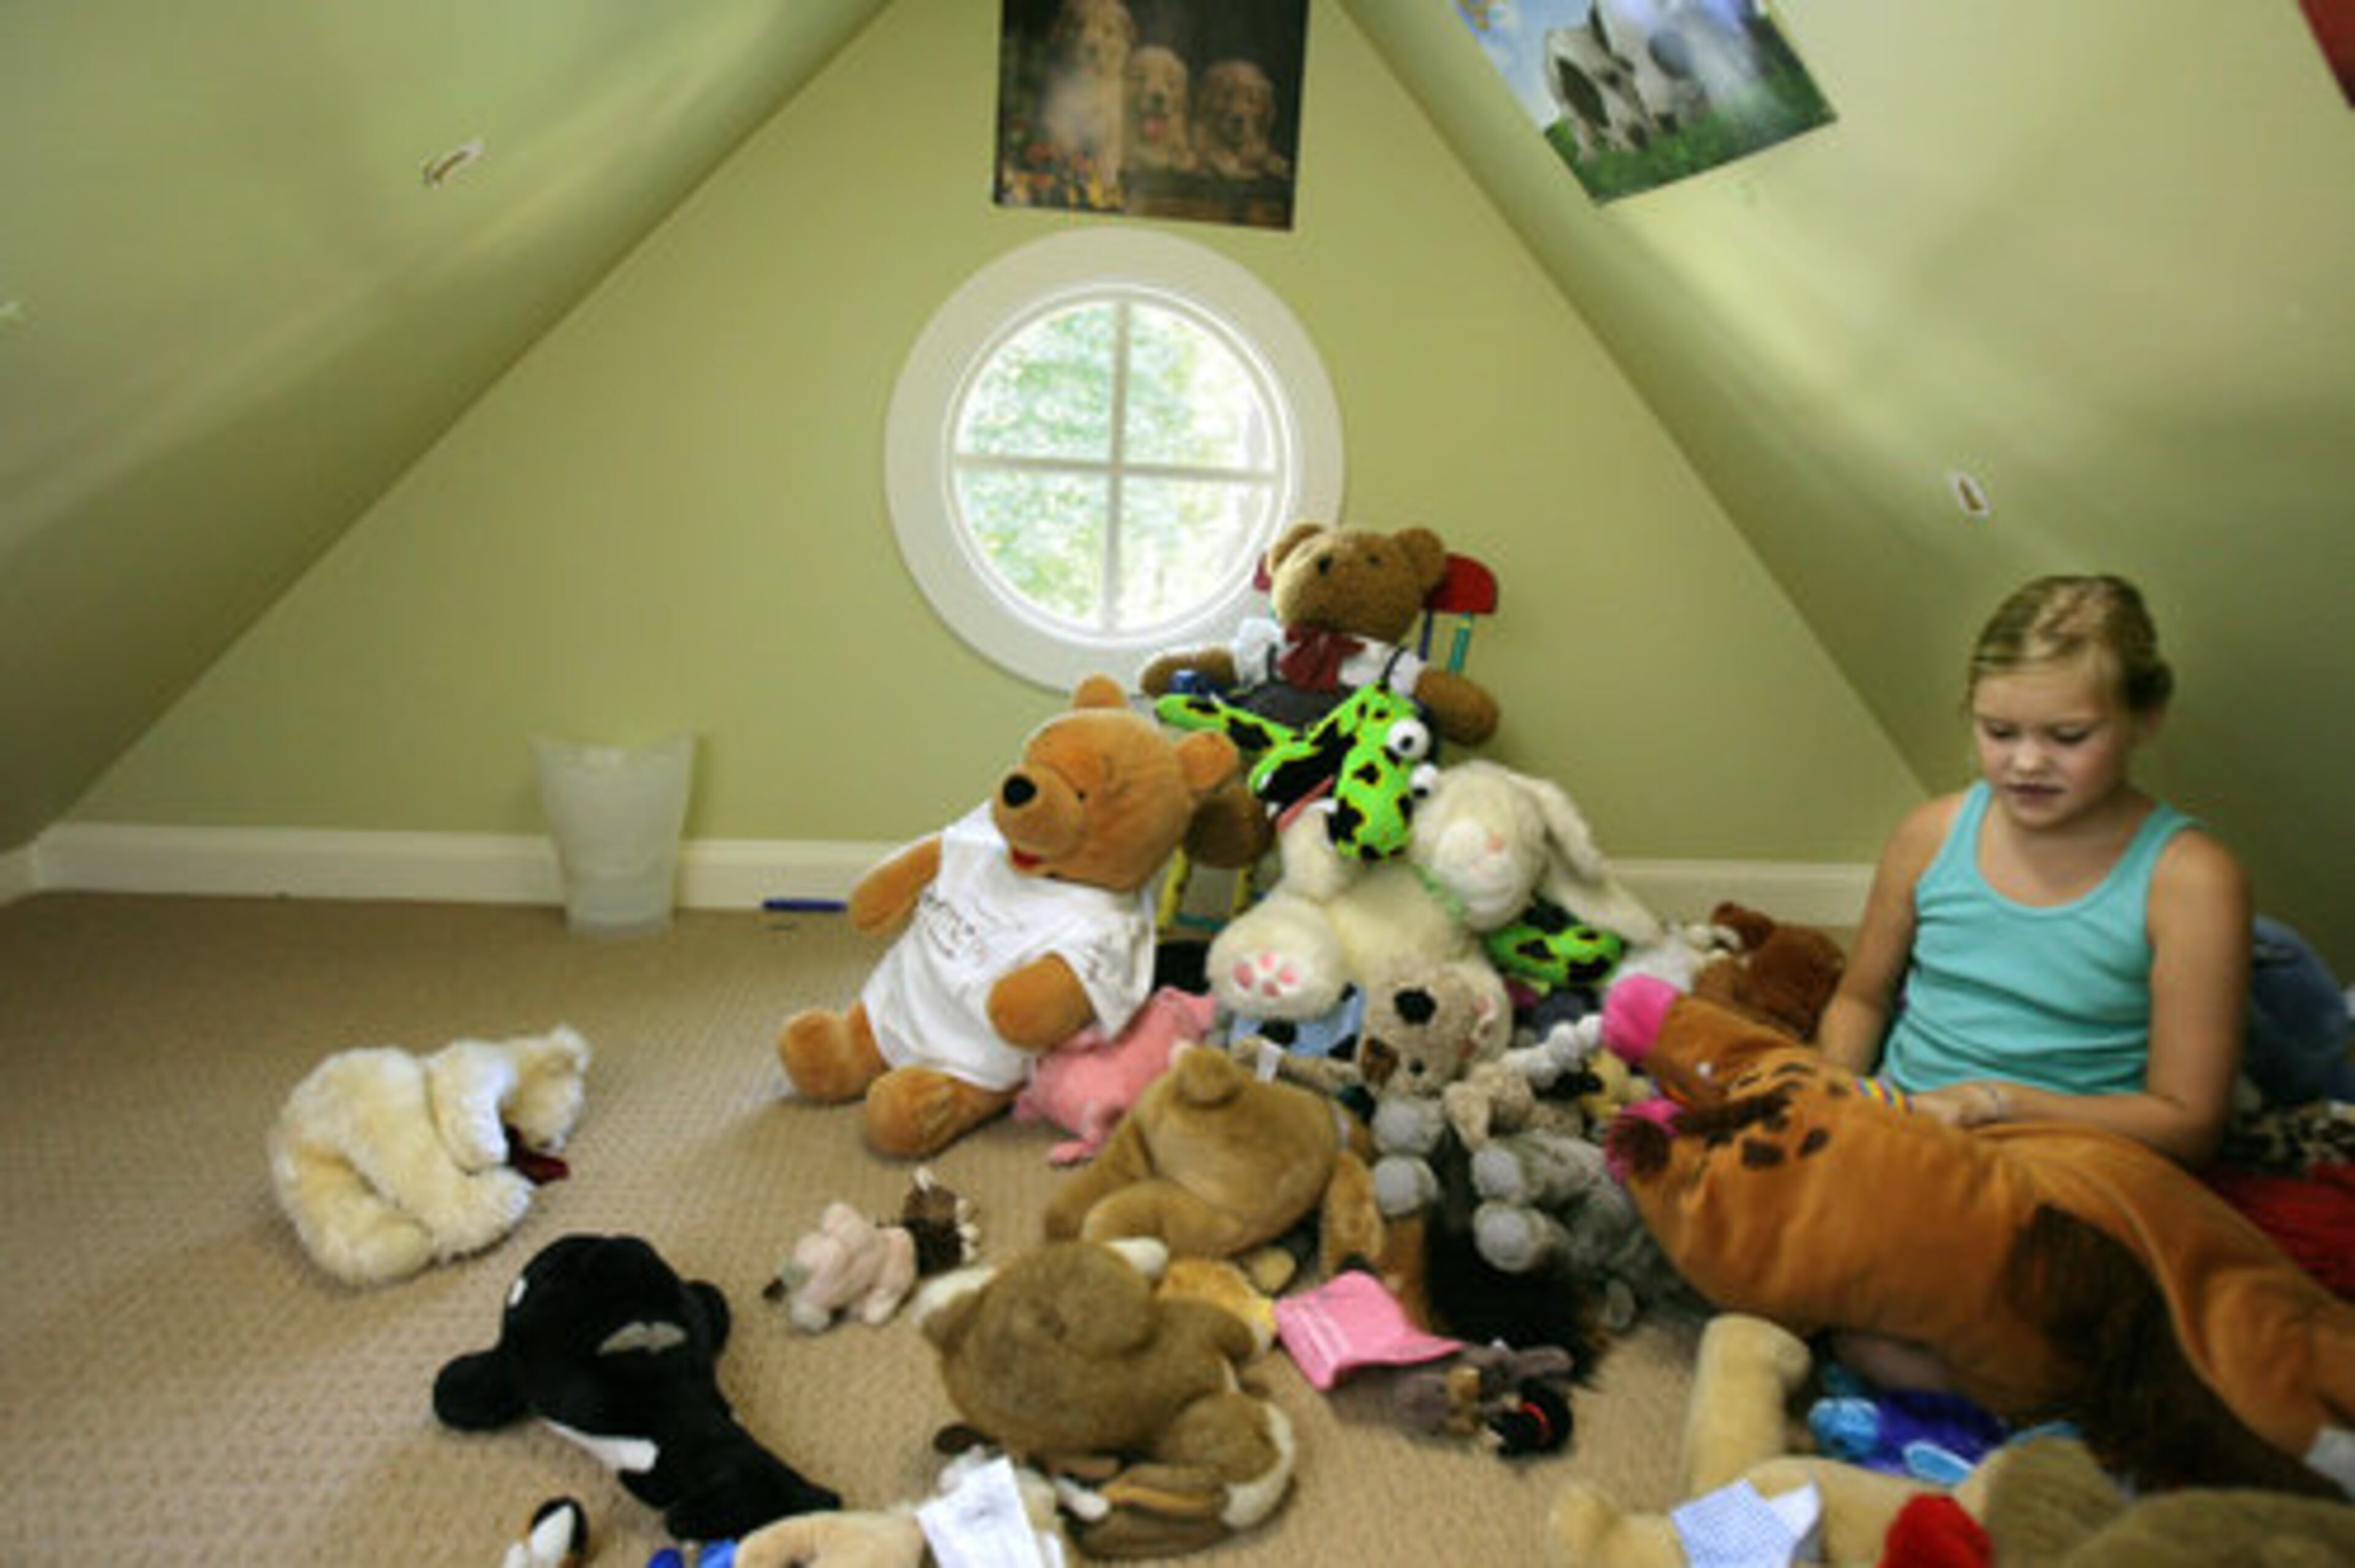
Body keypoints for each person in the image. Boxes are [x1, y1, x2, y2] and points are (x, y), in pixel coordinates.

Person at [1817, 573, 2252, 1170]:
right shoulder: (1929, 835)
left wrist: (1994, 1104)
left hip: (2075, 1162)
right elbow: (1861, 999)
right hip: (1904, 1131)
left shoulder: (2191, 880)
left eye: (2068, 736)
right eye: (1998, 732)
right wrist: (1829, 1098)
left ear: (2145, 718)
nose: (2026, 762)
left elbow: (2188, 1121)